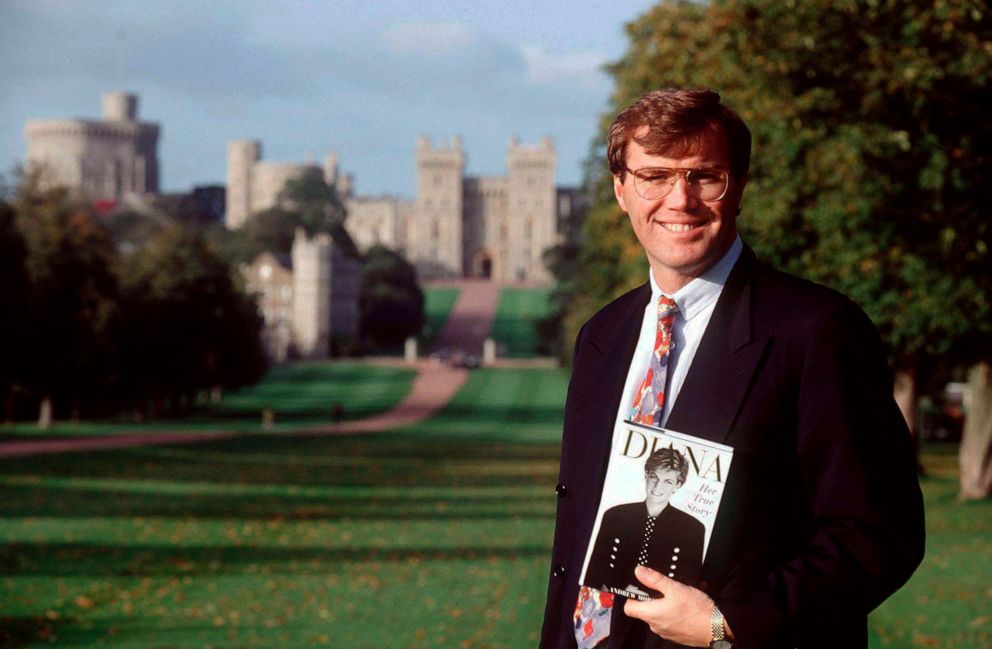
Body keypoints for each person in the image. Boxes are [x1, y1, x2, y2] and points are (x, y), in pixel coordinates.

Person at [539, 88, 925, 649]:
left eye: (704, 176)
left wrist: (731, 624)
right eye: (655, 176)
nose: (680, 199)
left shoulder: (817, 330)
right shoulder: (603, 335)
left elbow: (878, 535)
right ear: (622, 190)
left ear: (738, 186)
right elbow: (580, 535)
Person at [583, 448, 705, 598]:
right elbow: (594, 572)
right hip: (608, 602)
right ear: (646, 475)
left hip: (661, 612)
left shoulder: (693, 528)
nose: (657, 487)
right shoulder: (614, 516)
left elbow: (688, 587)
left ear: (678, 485)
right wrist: (622, 587)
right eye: (654, 477)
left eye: (667, 482)